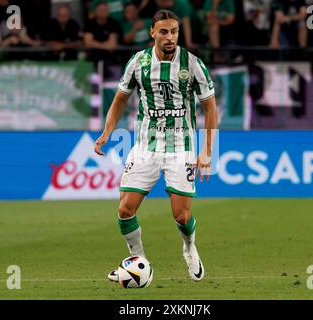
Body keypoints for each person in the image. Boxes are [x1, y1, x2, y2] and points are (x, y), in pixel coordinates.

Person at [94, 9, 218, 282]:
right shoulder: (138, 62)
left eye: (174, 31)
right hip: (145, 147)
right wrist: (106, 132)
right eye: (164, 31)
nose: (170, 37)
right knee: (125, 209)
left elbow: (210, 108)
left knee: (182, 216)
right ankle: (138, 260)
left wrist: (208, 150)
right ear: (152, 33)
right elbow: (120, 100)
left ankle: (189, 248)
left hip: (181, 148)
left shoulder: (193, 64)